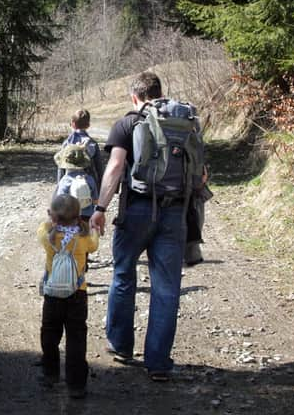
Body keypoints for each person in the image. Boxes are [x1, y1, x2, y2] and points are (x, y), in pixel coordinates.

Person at [89, 71, 195, 382]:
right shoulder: (185, 122)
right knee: (166, 288)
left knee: (123, 275)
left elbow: (116, 166)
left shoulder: (128, 122)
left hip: (135, 209)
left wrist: (99, 208)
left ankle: (121, 346)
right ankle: (158, 364)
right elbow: (200, 174)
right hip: (175, 212)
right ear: (161, 92)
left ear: (135, 97)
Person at [38, 194, 99, 399]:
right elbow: (94, 245)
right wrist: (94, 229)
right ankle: (76, 385)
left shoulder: (48, 235)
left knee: (49, 334)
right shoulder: (83, 238)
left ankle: (50, 373)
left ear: (53, 216)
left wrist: (51, 220)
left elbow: (42, 228)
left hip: (53, 294)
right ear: (78, 215)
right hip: (77, 294)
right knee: (76, 339)